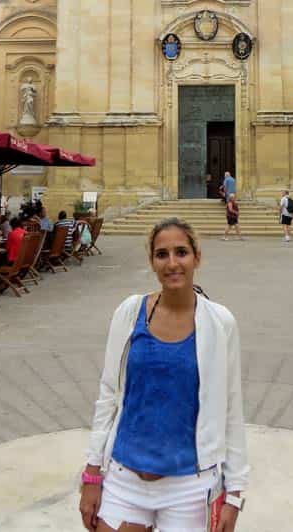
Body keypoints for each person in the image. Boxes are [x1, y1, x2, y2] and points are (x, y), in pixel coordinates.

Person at [79, 217, 248, 532]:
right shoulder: (130, 312)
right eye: (162, 254)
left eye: (181, 252)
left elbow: (231, 410)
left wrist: (234, 492)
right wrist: (91, 473)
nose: (172, 263)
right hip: (124, 477)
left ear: (197, 257)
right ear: (152, 262)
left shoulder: (220, 323)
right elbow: (108, 394)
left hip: (191, 487)